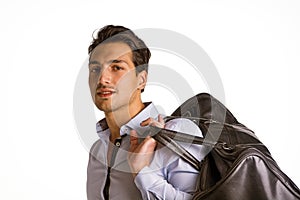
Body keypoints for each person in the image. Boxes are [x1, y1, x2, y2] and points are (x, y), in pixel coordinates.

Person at [86, 25, 205, 200]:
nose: (102, 79)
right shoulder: (97, 150)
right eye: (95, 69)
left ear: (141, 80)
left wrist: (142, 171)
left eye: (117, 67)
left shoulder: (175, 133)